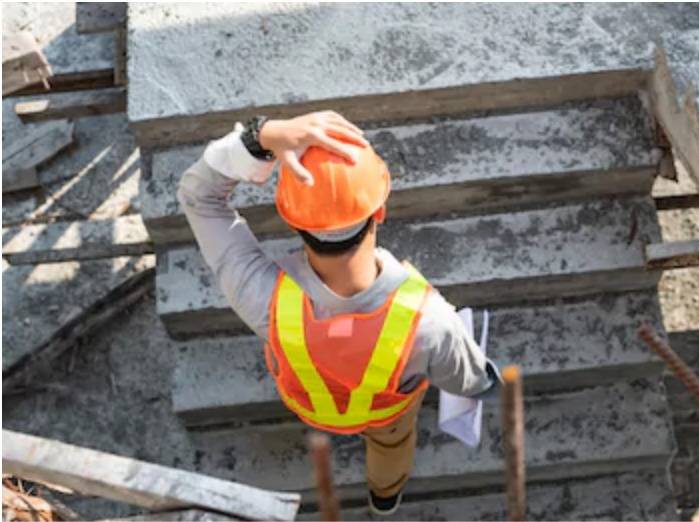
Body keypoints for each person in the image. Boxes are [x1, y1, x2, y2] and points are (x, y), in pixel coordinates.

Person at [178, 111, 500, 516]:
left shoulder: (261, 297)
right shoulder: (429, 321)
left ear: (292, 220)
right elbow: (468, 380)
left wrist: (259, 137)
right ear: (378, 211)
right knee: (391, 445)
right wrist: (485, 382)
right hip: (386, 414)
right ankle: (384, 500)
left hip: (309, 404)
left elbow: (198, 196)